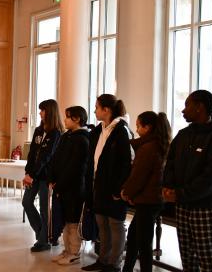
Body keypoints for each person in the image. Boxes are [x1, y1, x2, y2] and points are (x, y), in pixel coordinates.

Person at [162, 90, 212, 272]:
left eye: (187, 105)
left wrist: (181, 193)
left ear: (200, 107)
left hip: (205, 206)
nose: (183, 111)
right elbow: (170, 162)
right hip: (182, 204)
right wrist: (168, 187)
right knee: (187, 259)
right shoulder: (184, 134)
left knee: (207, 261)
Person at [82, 94, 132, 272]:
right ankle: (103, 260)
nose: (94, 110)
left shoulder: (121, 130)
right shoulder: (99, 129)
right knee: (102, 223)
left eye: (97, 107)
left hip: (113, 188)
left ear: (107, 110)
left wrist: (119, 189)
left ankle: (114, 263)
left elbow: (127, 162)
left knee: (116, 226)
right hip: (98, 185)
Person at [121, 112, 172, 272]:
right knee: (135, 237)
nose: (136, 130)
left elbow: (139, 175)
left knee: (143, 242)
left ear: (147, 127)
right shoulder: (157, 144)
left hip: (148, 200)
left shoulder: (148, 147)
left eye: (138, 126)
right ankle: (127, 268)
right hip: (151, 199)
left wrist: (127, 192)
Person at [48, 106, 91, 265]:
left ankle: (74, 252)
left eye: (67, 117)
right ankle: (66, 250)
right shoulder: (67, 136)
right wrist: (52, 178)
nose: (64, 120)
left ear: (77, 119)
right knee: (65, 220)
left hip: (74, 188)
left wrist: (60, 183)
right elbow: (55, 158)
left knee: (73, 222)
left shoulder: (83, 139)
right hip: (61, 186)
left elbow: (75, 167)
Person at [22, 99, 64, 252]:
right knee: (26, 202)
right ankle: (43, 235)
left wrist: (31, 175)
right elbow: (32, 153)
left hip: (46, 177)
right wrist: (28, 172)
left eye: (42, 110)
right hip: (33, 175)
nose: (40, 112)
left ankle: (43, 241)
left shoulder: (57, 133)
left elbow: (46, 157)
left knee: (44, 208)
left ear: (50, 112)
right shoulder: (39, 130)